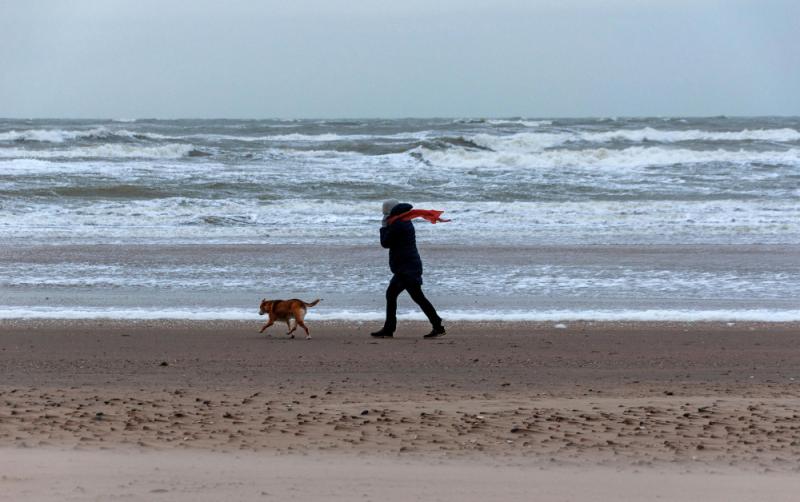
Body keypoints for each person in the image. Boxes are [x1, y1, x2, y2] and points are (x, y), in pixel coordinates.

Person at [371, 200, 446, 339]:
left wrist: (383, 227)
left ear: (390, 210)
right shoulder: (404, 220)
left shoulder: (398, 224)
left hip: (406, 268)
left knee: (400, 295)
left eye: (384, 210)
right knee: (411, 297)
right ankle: (436, 324)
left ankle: (390, 329)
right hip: (408, 266)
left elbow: (385, 243)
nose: (383, 212)